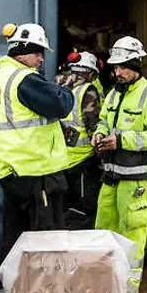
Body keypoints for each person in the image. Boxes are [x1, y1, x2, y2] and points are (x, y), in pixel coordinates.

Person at [0, 22, 73, 265]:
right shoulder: (24, 79)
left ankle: (7, 292)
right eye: (38, 52)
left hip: (11, 173)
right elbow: (61, 104)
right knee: (45, 242)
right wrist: (68, 86)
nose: (41, 59)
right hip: (37, 173)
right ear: (22, 52)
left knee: (14, 237)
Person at [94, 36, 147, 289]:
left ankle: (128, 287)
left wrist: (121, 140)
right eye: (116, 67)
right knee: (103, 232)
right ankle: (105, 282)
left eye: (123, 67)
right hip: (111, 177)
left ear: (136, 65)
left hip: (135, 181)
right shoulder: (114, 93)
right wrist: (99, 133)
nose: (118, 72)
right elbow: (103, 120)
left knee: (132, 234)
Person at [58, 50, 104, 230]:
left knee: (65, 207)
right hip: (83, 161)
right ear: (90, 73)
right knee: (87, 208)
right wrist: (102, 158)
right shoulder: (87, 90)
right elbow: (93, 126)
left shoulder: (57, 85)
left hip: (60, 159)